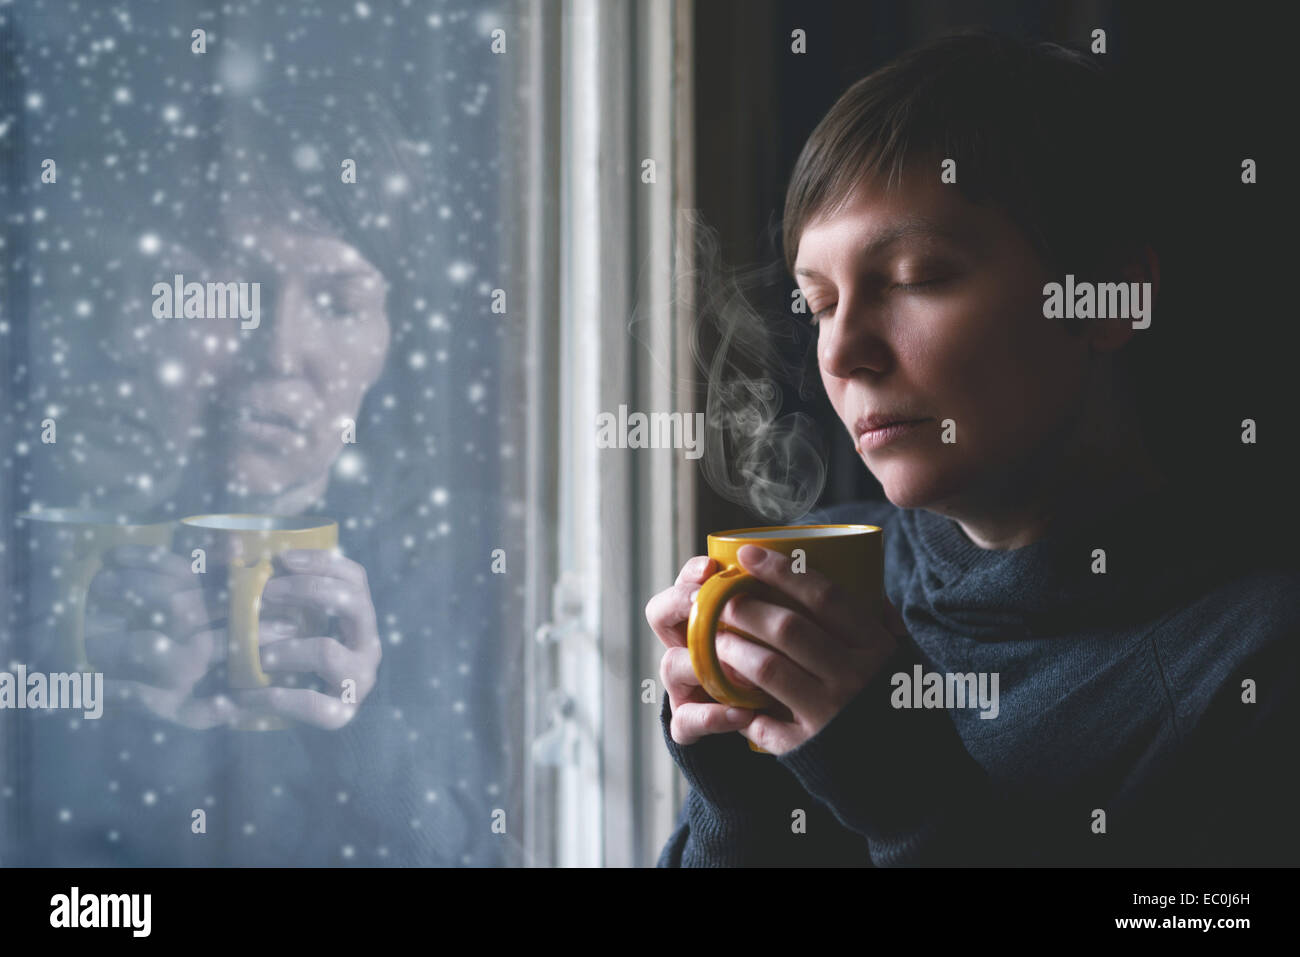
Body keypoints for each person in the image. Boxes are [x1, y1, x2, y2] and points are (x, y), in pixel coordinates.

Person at [648, 30, 1300, 866]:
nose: (844, 354)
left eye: (917, 278)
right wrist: (741, 811)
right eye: (818, 304)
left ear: (1109, 300)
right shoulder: (838, 592)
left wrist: (912, 804)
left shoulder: (1256, 665)